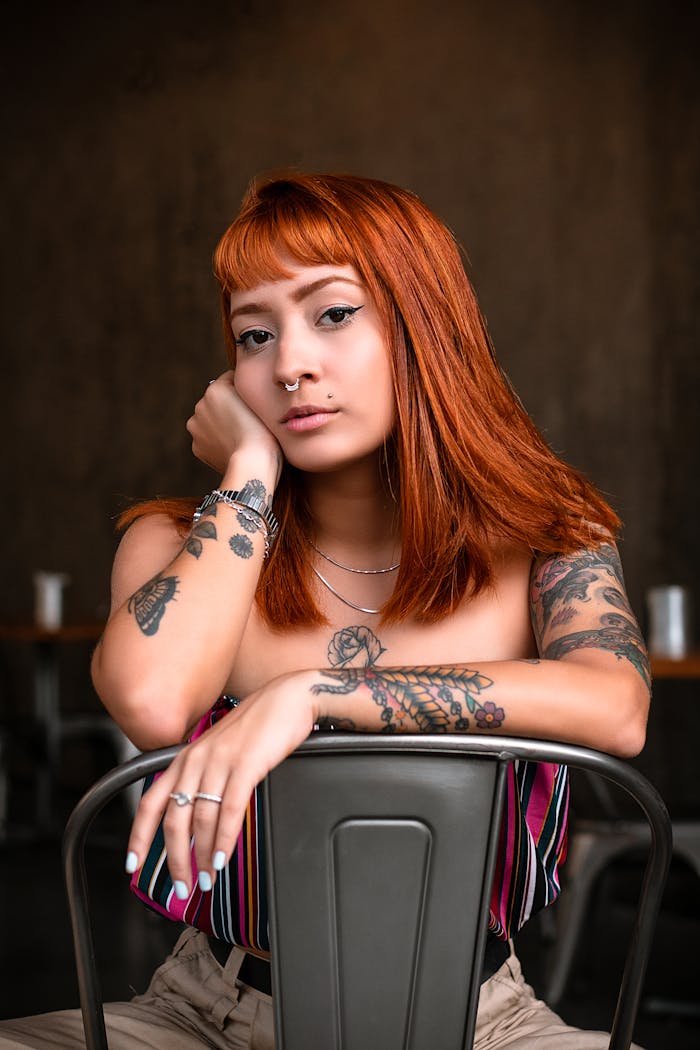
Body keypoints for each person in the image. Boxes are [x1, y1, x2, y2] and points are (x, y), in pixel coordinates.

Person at [0, 172, 651, 1049]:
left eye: (333, 314)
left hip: (480, 1017)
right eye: (254, 335)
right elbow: (151, 704)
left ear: (424, 327)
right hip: (209, 1013)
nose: (291, 364)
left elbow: (616, 707)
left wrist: (313, 692)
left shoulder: (551, 535)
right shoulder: (175, 543)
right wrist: (249, 477)